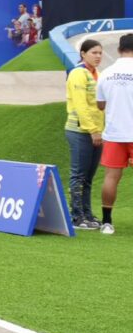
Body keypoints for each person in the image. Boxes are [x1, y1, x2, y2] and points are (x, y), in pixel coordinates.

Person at [96, 33, 133, 235]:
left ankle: (107, 222)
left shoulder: (106, 73)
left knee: (111, 177)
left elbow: (100, 105)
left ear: (119, 49)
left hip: (114, 133)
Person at [65, 39, 104, 230]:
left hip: (97, 131)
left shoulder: (97, 74)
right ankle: (76, 217)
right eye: (94, 52)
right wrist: (93, 130)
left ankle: (87, 214)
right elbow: (81, 105)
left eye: (100, 53)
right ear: (83, 54)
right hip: (80, 131)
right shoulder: (78, 73)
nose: (98, 56)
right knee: (79, 175)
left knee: (88, 176)